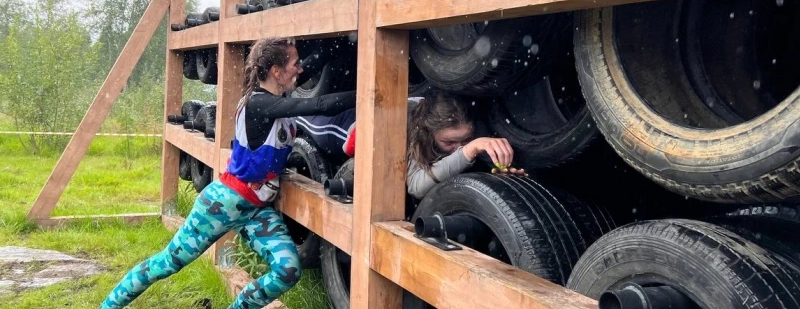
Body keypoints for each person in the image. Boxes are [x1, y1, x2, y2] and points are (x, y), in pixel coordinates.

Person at [100, 37, 355, 309]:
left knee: (288, 270)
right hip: (222, 204)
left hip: (256, 209)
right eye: (294, 64)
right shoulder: (258, 104)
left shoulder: (278, 95)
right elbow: (320, 106)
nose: (301, 69)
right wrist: (371, 90)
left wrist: (342, 43)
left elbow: (310, 66)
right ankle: (108, 306)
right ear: (276, 72)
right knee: (167, 263)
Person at [296, 89, 523, 200]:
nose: (458, 147)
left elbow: (459, 160)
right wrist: (469, 149)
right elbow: (416, 185)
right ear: (429, 133)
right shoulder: (412, 129)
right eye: (449, 142)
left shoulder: (458, 129)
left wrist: (498, 171)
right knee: (306, 120)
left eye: (465, 140)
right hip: (347, 128)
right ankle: (288, 107)